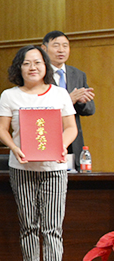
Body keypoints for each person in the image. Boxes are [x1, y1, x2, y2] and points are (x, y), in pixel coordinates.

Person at [0, 45, 77, 261]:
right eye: (27, 63)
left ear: (46, 67)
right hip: (22, 169)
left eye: (38, 62)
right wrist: (14, 147)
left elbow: (70, 128)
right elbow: (1, 129)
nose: (33, 67)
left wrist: (61, 146)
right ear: (18, 68)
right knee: (28, 224)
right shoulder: (9, 95)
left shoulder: (59, 93)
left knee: (52, 228)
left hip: (54, 170)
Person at [43, 31, 95, 170]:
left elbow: (90, 110)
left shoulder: (77, 74)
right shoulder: (39, 74)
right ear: (44, 48)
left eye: (65, 46)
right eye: (56, 46)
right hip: (47, 138)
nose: (61, 50)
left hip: (74, 142)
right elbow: (39, 107)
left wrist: (81, 101)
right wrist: (68, 100)